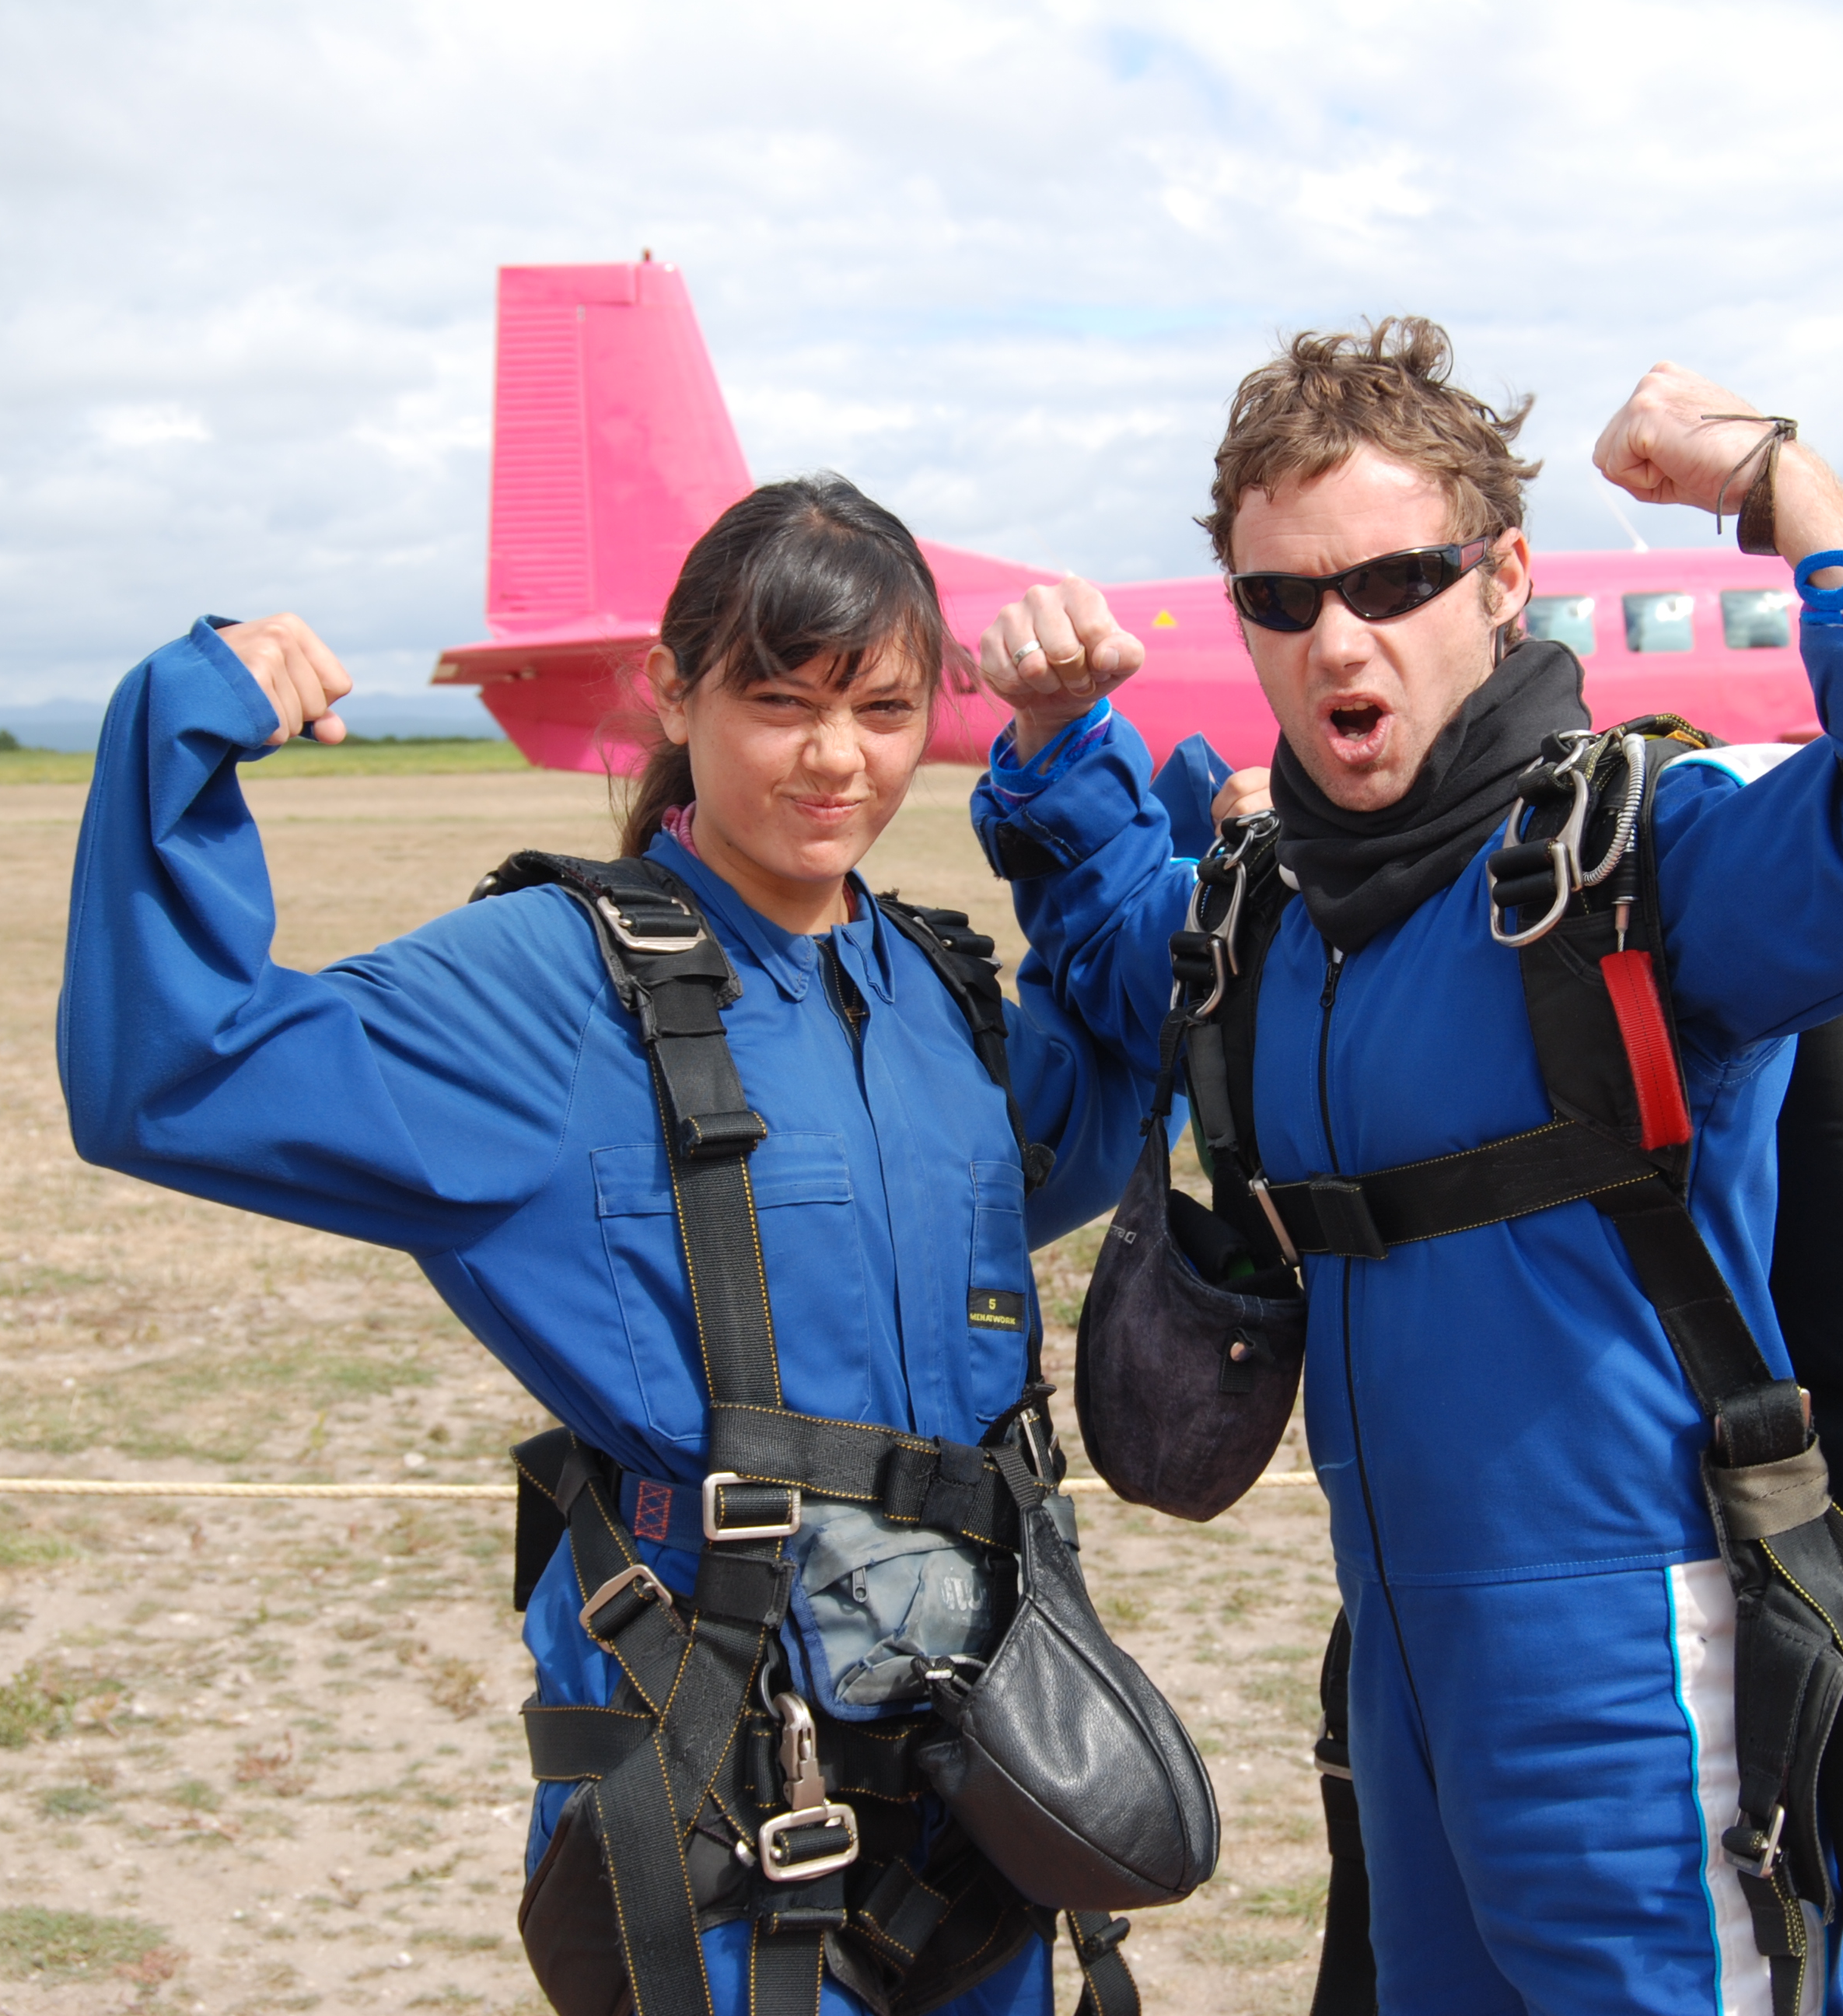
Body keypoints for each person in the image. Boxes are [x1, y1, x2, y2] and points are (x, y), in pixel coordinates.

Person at [965, 323, 1843, 2015]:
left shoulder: (1638, 866)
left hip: (1642, 1669)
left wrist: (1782, 483)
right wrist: (1059, 729)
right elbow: (1128, 941)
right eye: (1282, 601)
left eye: (1394, 580)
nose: (1336, 638)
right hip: (1400, 1666)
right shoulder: (1271, 913)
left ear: (1503, 579)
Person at [57, 475, 1154, 2015]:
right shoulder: (549, 989)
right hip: (717, 1795)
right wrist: (181, 727)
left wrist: (1065, 762)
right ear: (672, 690)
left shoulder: (937, 990)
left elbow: (1136, 1056)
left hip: (978, 1777)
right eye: (780, 702)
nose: (837, 759)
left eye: (886, 709)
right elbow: (169, 1074)